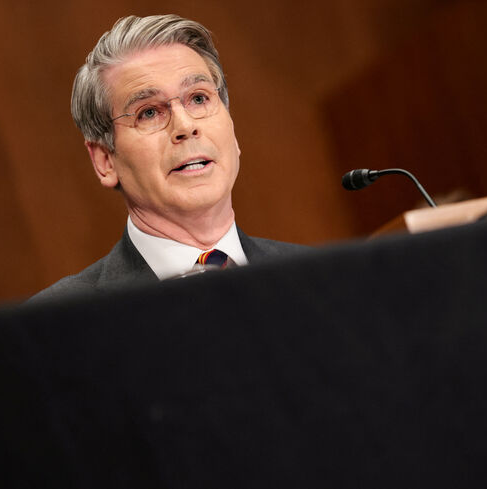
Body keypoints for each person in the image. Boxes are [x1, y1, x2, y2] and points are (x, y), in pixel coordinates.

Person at [32, 14, 304, 301]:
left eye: (199, 98)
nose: (185, 127)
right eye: (148, 112)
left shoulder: (321, 279)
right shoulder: (60, 321)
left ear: (232, 130)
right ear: (105, 161)